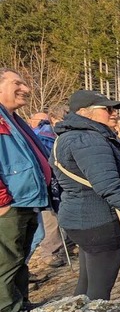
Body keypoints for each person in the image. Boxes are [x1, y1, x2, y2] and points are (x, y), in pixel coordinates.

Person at [51, 90, 120, 306]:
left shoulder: (68, 136)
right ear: (84, 112)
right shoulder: (88, 139)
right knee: (98, 293)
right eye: (107, 109)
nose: (113, 113)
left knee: (86, 285)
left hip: (80, 220)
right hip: (99, 222)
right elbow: (109, 185)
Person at [0, 69, 51, 312]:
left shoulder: (13, 120)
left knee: (19, 259)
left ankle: (20, 305)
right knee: (6, 261)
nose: (26, 89)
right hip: (9, 205)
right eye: (17, 83)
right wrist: (2, 201)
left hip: (27, 199)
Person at [26, 111, 67, 268]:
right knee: (49, 224)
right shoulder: (40, 136)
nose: (47, 125)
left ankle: (59, 250)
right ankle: (49, 253)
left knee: (55, 222)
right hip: (45, 187)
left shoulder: (45, 135)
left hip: (51, 185)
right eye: (43, 122)